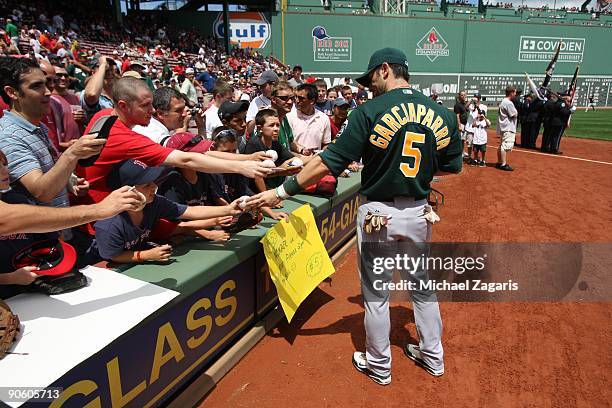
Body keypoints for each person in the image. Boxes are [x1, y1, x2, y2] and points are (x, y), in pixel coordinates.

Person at [251, 48, 462, 385]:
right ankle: (434, 357)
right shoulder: (442, 113)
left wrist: (280, 192)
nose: (370, 85)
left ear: (385, 70)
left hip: (378, 211)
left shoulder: (369, 111)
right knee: (422, 288)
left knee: (377, 295)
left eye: (372, 78)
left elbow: (327, 162)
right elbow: (451, 166)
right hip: (420, 210)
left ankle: (380, 366)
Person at [75, 77, 271, 209]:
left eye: (151, 103)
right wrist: (242, 166)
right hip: (102, 216)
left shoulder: (105, 116)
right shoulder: (131, 135)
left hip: (109, 208)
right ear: (123, 106)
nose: (152, 111)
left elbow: (194, 152)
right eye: (145, 106)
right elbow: (186, 158)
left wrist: (245, 161)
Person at [87, 159, 249, 264]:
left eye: (152, 182)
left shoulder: (153, 203)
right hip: (105, 266)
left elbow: (189, 211)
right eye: (146, 185)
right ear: (126, 191)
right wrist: (145, 255)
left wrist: (227, 209)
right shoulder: (109, 224)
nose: (154, 187)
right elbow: (112, 256)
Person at [286, 83, 332, 154]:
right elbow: (288, 141)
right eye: (296, 97)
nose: (297, 101)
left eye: (301, 98)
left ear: (312, 101)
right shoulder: (289, 117)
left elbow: (326, 143)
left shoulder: (324, 118)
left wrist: (320, 154)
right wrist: (302, 151)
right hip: (295, 161)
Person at [81, 56, 119, 125]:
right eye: (105, 69)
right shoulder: (87, 92)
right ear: (93, 73)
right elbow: (92, 94)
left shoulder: (119, 94)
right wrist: (103, 65)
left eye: (111, 67)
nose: (109, 71)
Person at [496, 85, 518, 171]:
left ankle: (499, 162)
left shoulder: (503, 101)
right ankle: (503, 164)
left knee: (502, 145)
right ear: (511, 93)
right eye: (515, 92)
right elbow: (514, 114)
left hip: (504, 127)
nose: (515, 94)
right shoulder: (508, 103)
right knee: (505, 146)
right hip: (508, 127)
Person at [454, 90, 468, 158]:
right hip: (461, 124)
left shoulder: (463, 104)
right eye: (462, 95)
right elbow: (457, 116)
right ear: (459, 96)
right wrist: (459, 125)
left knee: (463, 140)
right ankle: (458, 153)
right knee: (459, 140)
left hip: (465, 124)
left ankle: (462, 151)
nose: (464, 96)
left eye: (465, 95)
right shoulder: (457, 105)